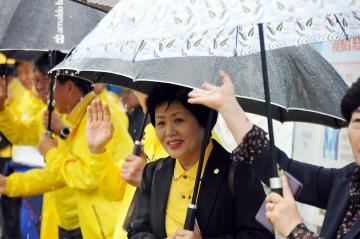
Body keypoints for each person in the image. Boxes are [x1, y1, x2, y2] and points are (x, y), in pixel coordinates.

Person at [188, 71, 360, 238]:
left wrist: (295, 229)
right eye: (358, 121)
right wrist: (229, 108)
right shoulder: (348, 179)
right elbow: (282, 169)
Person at [126, 84, 273, 238]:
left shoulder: (239, 172)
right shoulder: (153, 172)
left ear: (203, 121)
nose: (169, 132)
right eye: (161, 123)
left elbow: (262, 234)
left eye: (178, 120)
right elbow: (136, 231)